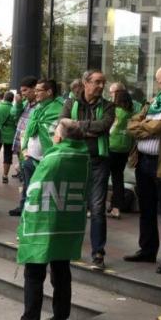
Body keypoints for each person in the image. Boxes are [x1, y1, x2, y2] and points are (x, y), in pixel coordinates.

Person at [1, 119, 90, 320]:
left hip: (44, 223)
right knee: (61, 272)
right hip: (68, 223)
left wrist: (24, 226)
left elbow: (35, 193)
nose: (53, 137)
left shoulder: (53, 158)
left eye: (55, 134)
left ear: (60, 137)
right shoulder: (84, 157)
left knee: (34, 274)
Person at [125, 64, 161, 274]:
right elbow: (130, 124)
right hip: (143, 161)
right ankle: (147, 250)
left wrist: (144, 128)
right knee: (146, 209)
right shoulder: (153, 102)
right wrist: (148, 128)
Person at [60, 70, 115, 270]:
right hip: (74, 160)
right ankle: (68, 248)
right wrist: (87, 129)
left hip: (99, 161)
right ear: (86, 83)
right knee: (73, 206)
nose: (101, 86)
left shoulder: (108, 105)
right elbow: (63, 125)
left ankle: (98, 254)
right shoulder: (70, 103)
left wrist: (77, 127)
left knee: (98, 208)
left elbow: (104, 126)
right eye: (97, 82)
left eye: (103, 82)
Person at [19, 79, 62, 218]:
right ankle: (27, 220)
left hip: (47, 161)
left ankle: (41, 222)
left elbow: (56, 135)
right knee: (28, 191)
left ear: (49, 92)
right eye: (35, 90)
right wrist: (24, 150)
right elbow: (28, 130)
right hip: (30, 158)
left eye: (38, 90)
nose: (35, 93)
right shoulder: (37, 108)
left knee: (43, 195)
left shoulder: (59, 109)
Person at [9, 76, 38, 216]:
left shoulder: (39, 106)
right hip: (21, 145)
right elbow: (14, 115)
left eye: (26, 90)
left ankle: (27, 206)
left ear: (34, 89)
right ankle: (23, 204)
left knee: (29, 178)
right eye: (22, 91)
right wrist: (18, 104)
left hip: (30, 148)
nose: (23, 93)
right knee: (24, 177)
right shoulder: (26, 103)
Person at [107, 89, 134, 219]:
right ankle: (116, 208)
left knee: (102, 177)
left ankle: (94, 206)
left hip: (111, 147)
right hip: (124, 149)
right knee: (118, 179)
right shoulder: (131, 114)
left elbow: (109, 128)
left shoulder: (115, 112)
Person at [0, 92, 17, 184]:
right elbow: (15, 122)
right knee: (8, 156)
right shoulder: (13, 109)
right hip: (10, 135)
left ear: (4, 98)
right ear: (12, 99)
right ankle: (5, 176)